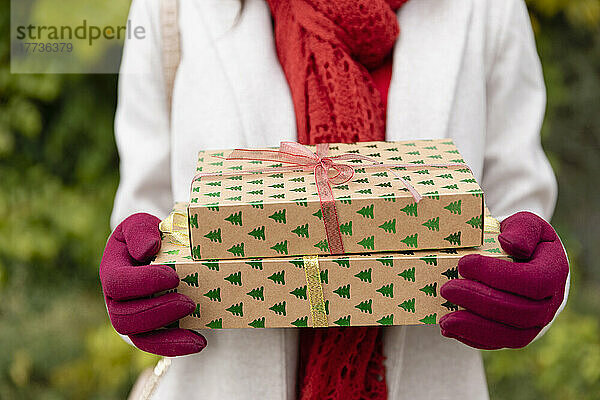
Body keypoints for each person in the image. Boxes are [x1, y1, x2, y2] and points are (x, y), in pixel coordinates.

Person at [99, 0, 570, 399]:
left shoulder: (489, 9)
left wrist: (535, 282)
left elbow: (519, 207)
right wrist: (133, 279)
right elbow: (144, 210)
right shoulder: (169, 8)